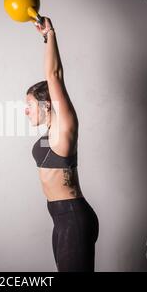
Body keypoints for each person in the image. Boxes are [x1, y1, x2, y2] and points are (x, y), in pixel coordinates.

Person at [25, 17, 99, 272]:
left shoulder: (63, 125)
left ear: (47, 105)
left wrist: (49, 35)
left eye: (30, 105)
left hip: (72, 217)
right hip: (59, 218)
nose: (26, 111)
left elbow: (54, 75)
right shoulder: (49, 132)